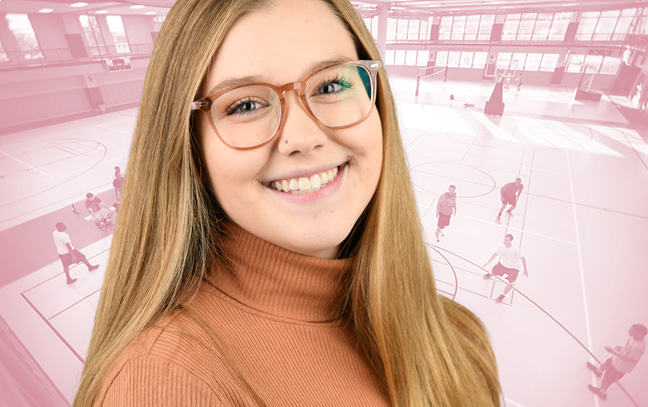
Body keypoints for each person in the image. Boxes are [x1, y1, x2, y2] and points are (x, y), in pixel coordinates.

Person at [74, 1, 501, 406]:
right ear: (191, 151)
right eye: (245, 104)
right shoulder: (166, 383)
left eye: (331, 84)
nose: (302, 137)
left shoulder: (458, 335)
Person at [587, 324, 647, 400]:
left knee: (607, 378)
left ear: (639, 334)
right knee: (608, 362)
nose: (629, 330)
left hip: (620, 367)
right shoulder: (634, 337)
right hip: (618, 357)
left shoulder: (638, 347)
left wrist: (614, 352)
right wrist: (622, 348)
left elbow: (632, 359)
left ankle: (602, 392)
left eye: (632, 330)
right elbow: (629, 348)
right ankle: (599, 371)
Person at [483, 234, 529, 303]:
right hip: (502, 265)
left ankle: (502, 295)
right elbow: (495, 254)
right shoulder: (500, 247)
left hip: (513, 268)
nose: (504, 241)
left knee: (511, 283)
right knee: (493, 271)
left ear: (510, 241)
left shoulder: (516, 250)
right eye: (504, 239)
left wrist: (525, 270)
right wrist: (488, 262)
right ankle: (490, 274)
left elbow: (523, 259)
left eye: (506, 240)